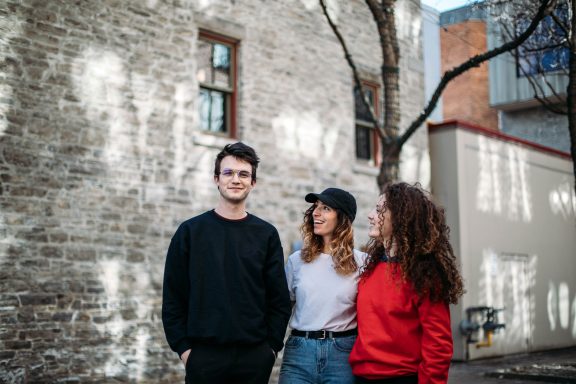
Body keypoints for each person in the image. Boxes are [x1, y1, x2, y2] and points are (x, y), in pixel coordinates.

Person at [162, 142, 291, 384]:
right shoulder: (190, 232)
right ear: (216, 179)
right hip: (203, 357)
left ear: (253, 182)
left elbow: (279, 299)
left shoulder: (266, 234)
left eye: (244, 174)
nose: (236, 180)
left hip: (254, 358)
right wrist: (185, 350)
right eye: (228, 172)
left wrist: (270, 349)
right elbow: (173, 297)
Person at [349, 182, 465, 384]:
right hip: (361, 377)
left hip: (402, 378)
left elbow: (438, 344)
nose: (370, 215)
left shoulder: (424, 276)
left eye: (379, 210)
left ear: (401, 218)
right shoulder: (371, 268)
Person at [279, 188, 366, 384]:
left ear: (342, 218)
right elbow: (282, 308)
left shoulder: (362, 263)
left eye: (325, 208)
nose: (316, 213)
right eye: (315, 207)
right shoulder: (296, 261)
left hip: (343, 353)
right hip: (299, 353)